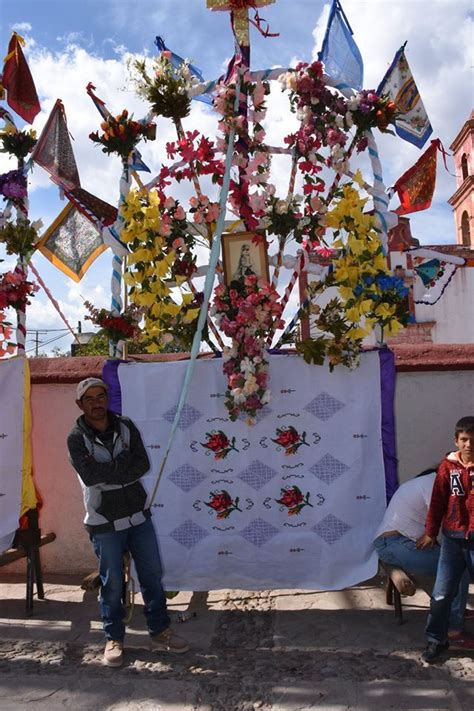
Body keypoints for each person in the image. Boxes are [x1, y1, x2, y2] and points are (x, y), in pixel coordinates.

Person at [67, 377, 189, 667]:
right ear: (80, 404)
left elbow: (142, 464)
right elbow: (91, 476)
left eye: (101, 396)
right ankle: (114, 639)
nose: (97, 403)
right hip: (104, 521)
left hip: (137, 516)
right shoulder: (75, 437)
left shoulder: (125, 426)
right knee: (111, 584)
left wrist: (109, 470)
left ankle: (160, 630)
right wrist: (122, 469)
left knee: (152, 576)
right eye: (90, 399)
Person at [374, 468, 471, 635]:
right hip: (393, 544)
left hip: (399, 542)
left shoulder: (429, 481)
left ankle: (455, 608)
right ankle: (453, 630)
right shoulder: (434, 485)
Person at [418, 416, 474, 663]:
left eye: (473, 440)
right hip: (452, 540)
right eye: (464, 440)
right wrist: (431, 532)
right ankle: (436, 639)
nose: (469, 445)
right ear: (456, 441)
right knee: (441, 594)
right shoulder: (446, 467)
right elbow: (438, 501)